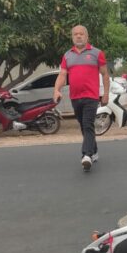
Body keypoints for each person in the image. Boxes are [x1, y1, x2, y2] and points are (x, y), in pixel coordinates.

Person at [53, 25, 110, 172]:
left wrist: (106, 93)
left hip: (91, 96)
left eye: (81, 34)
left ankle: (87, 156)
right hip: (75, 97)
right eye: (75, 34)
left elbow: (105, 74)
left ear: (87, 36)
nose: (78, 36)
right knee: (84, 126)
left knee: (87, 124)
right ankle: (94, 150)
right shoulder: (67, 56)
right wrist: (56, 90)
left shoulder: (97, 53)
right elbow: (62, 75)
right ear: (72, 37)